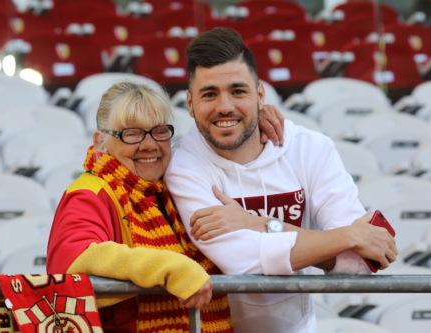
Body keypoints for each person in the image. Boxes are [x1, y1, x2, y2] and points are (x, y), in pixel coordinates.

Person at [164, 28, 398, 333]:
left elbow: (360, 263)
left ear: (260, 95)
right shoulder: (182, 164)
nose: (224, 107)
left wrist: (256, 224)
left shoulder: (310, 147)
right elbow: (242, 263)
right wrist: (347, 237)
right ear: (190, 103)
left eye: (238, 91)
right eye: (210, 94)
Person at [47, 81, 283, 333]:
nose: (149, 145)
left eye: (160, 131)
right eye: (131, 134)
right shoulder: (89, 192)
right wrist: (170, 267)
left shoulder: (173, 183)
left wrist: (251, 125)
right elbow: (71, 263)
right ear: (100, 141)